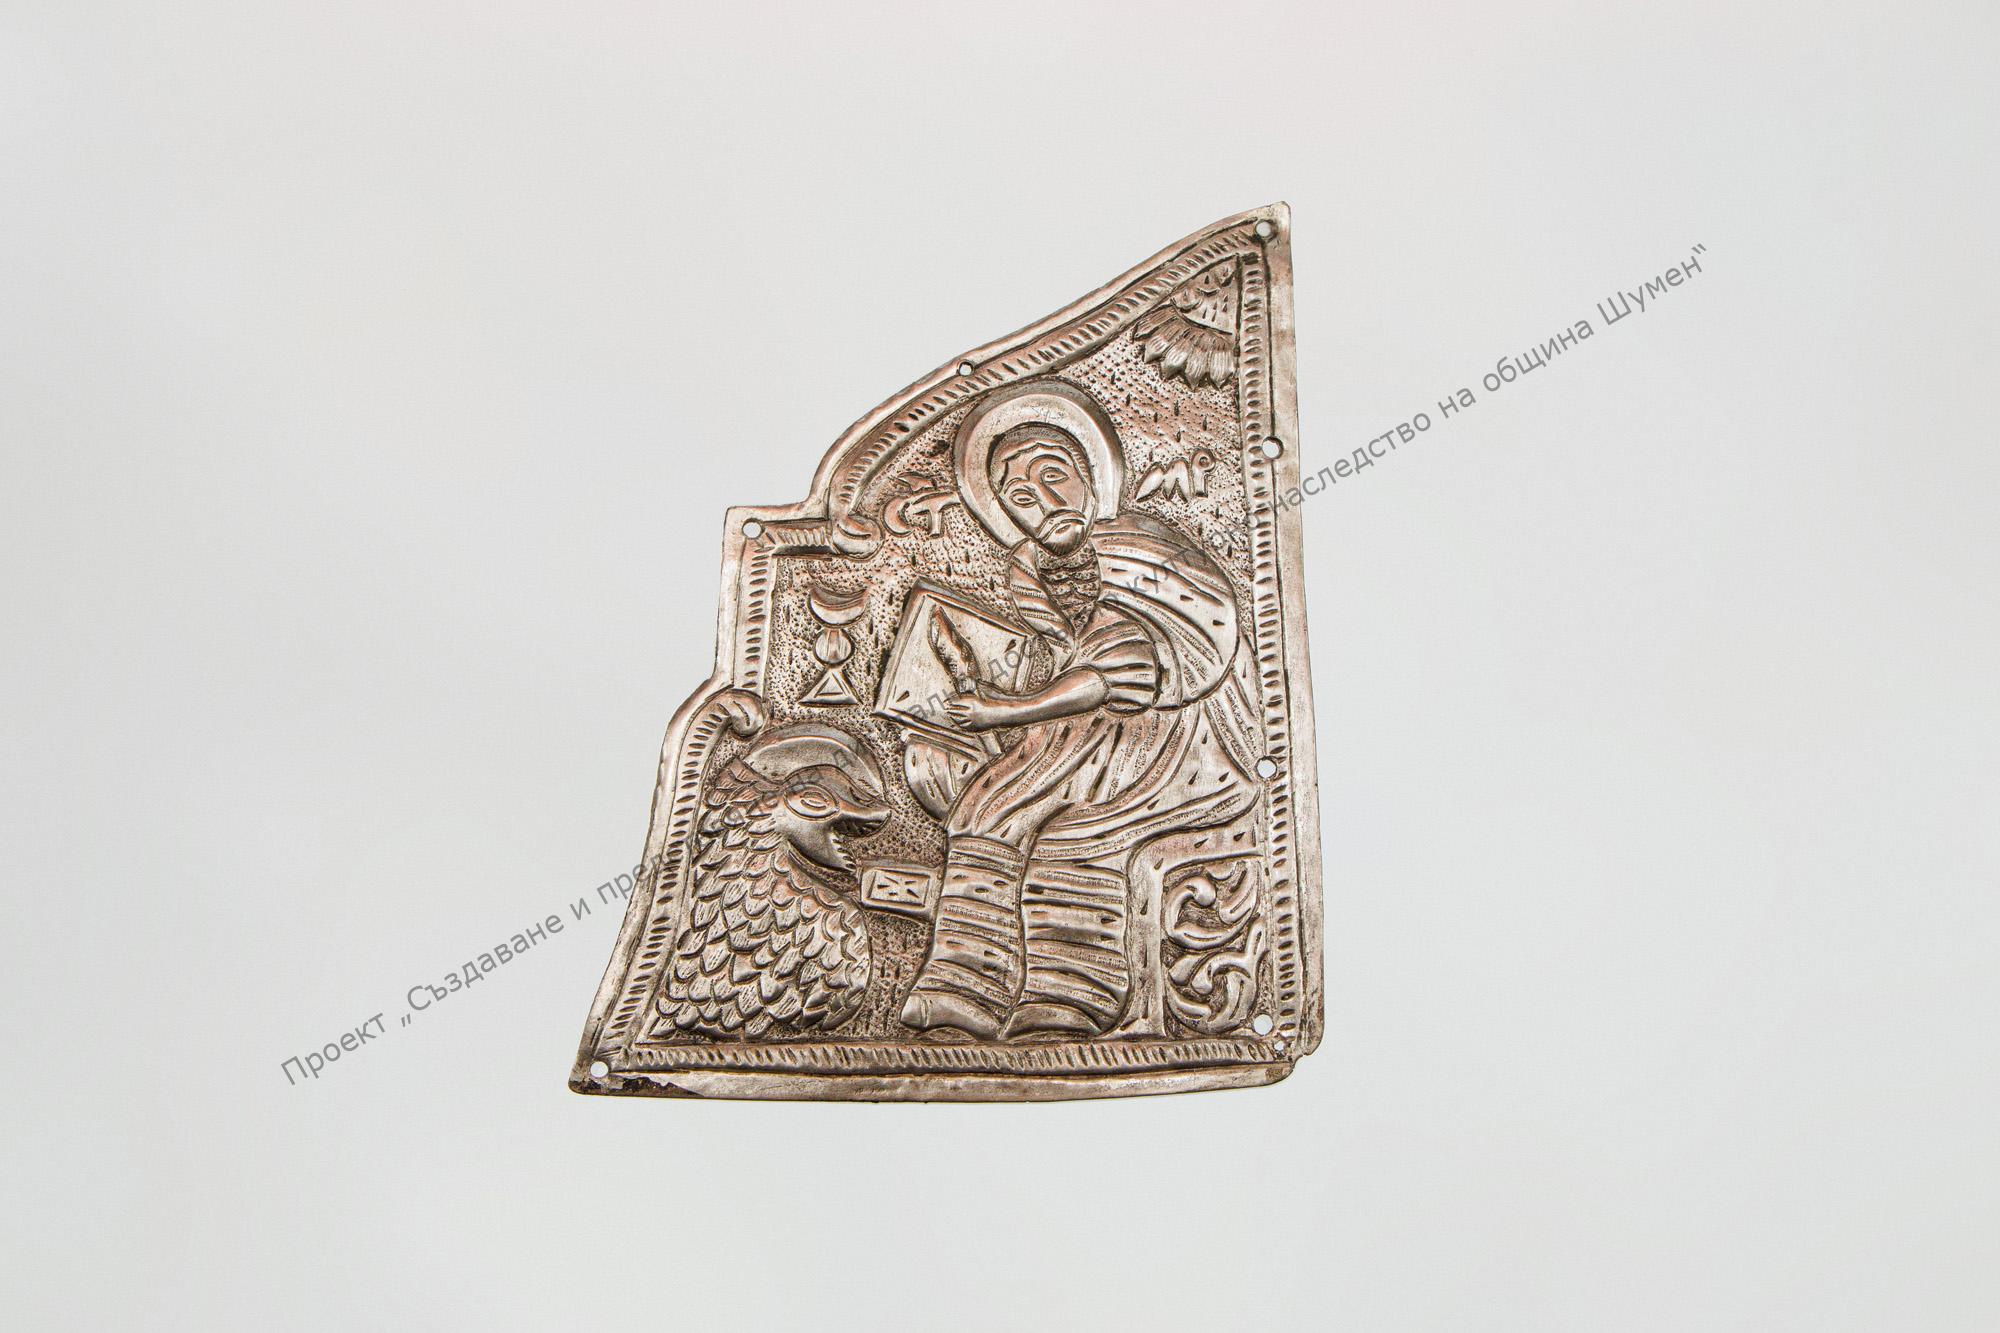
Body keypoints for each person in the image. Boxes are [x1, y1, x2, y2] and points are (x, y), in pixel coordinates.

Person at [899, 411, 1262, 1039]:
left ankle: (1072, 994)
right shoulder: (1030, 568)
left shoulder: (1140, 555)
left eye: (1054, 476)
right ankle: (963, 985)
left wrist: (1004, 711)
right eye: (1021, 497)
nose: (1045, 503)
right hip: (1080, 733)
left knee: (1076, 832)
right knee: (984, 810)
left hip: (1173, 738)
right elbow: (1062, 655)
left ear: (1092, 478)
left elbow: (1118, 671)